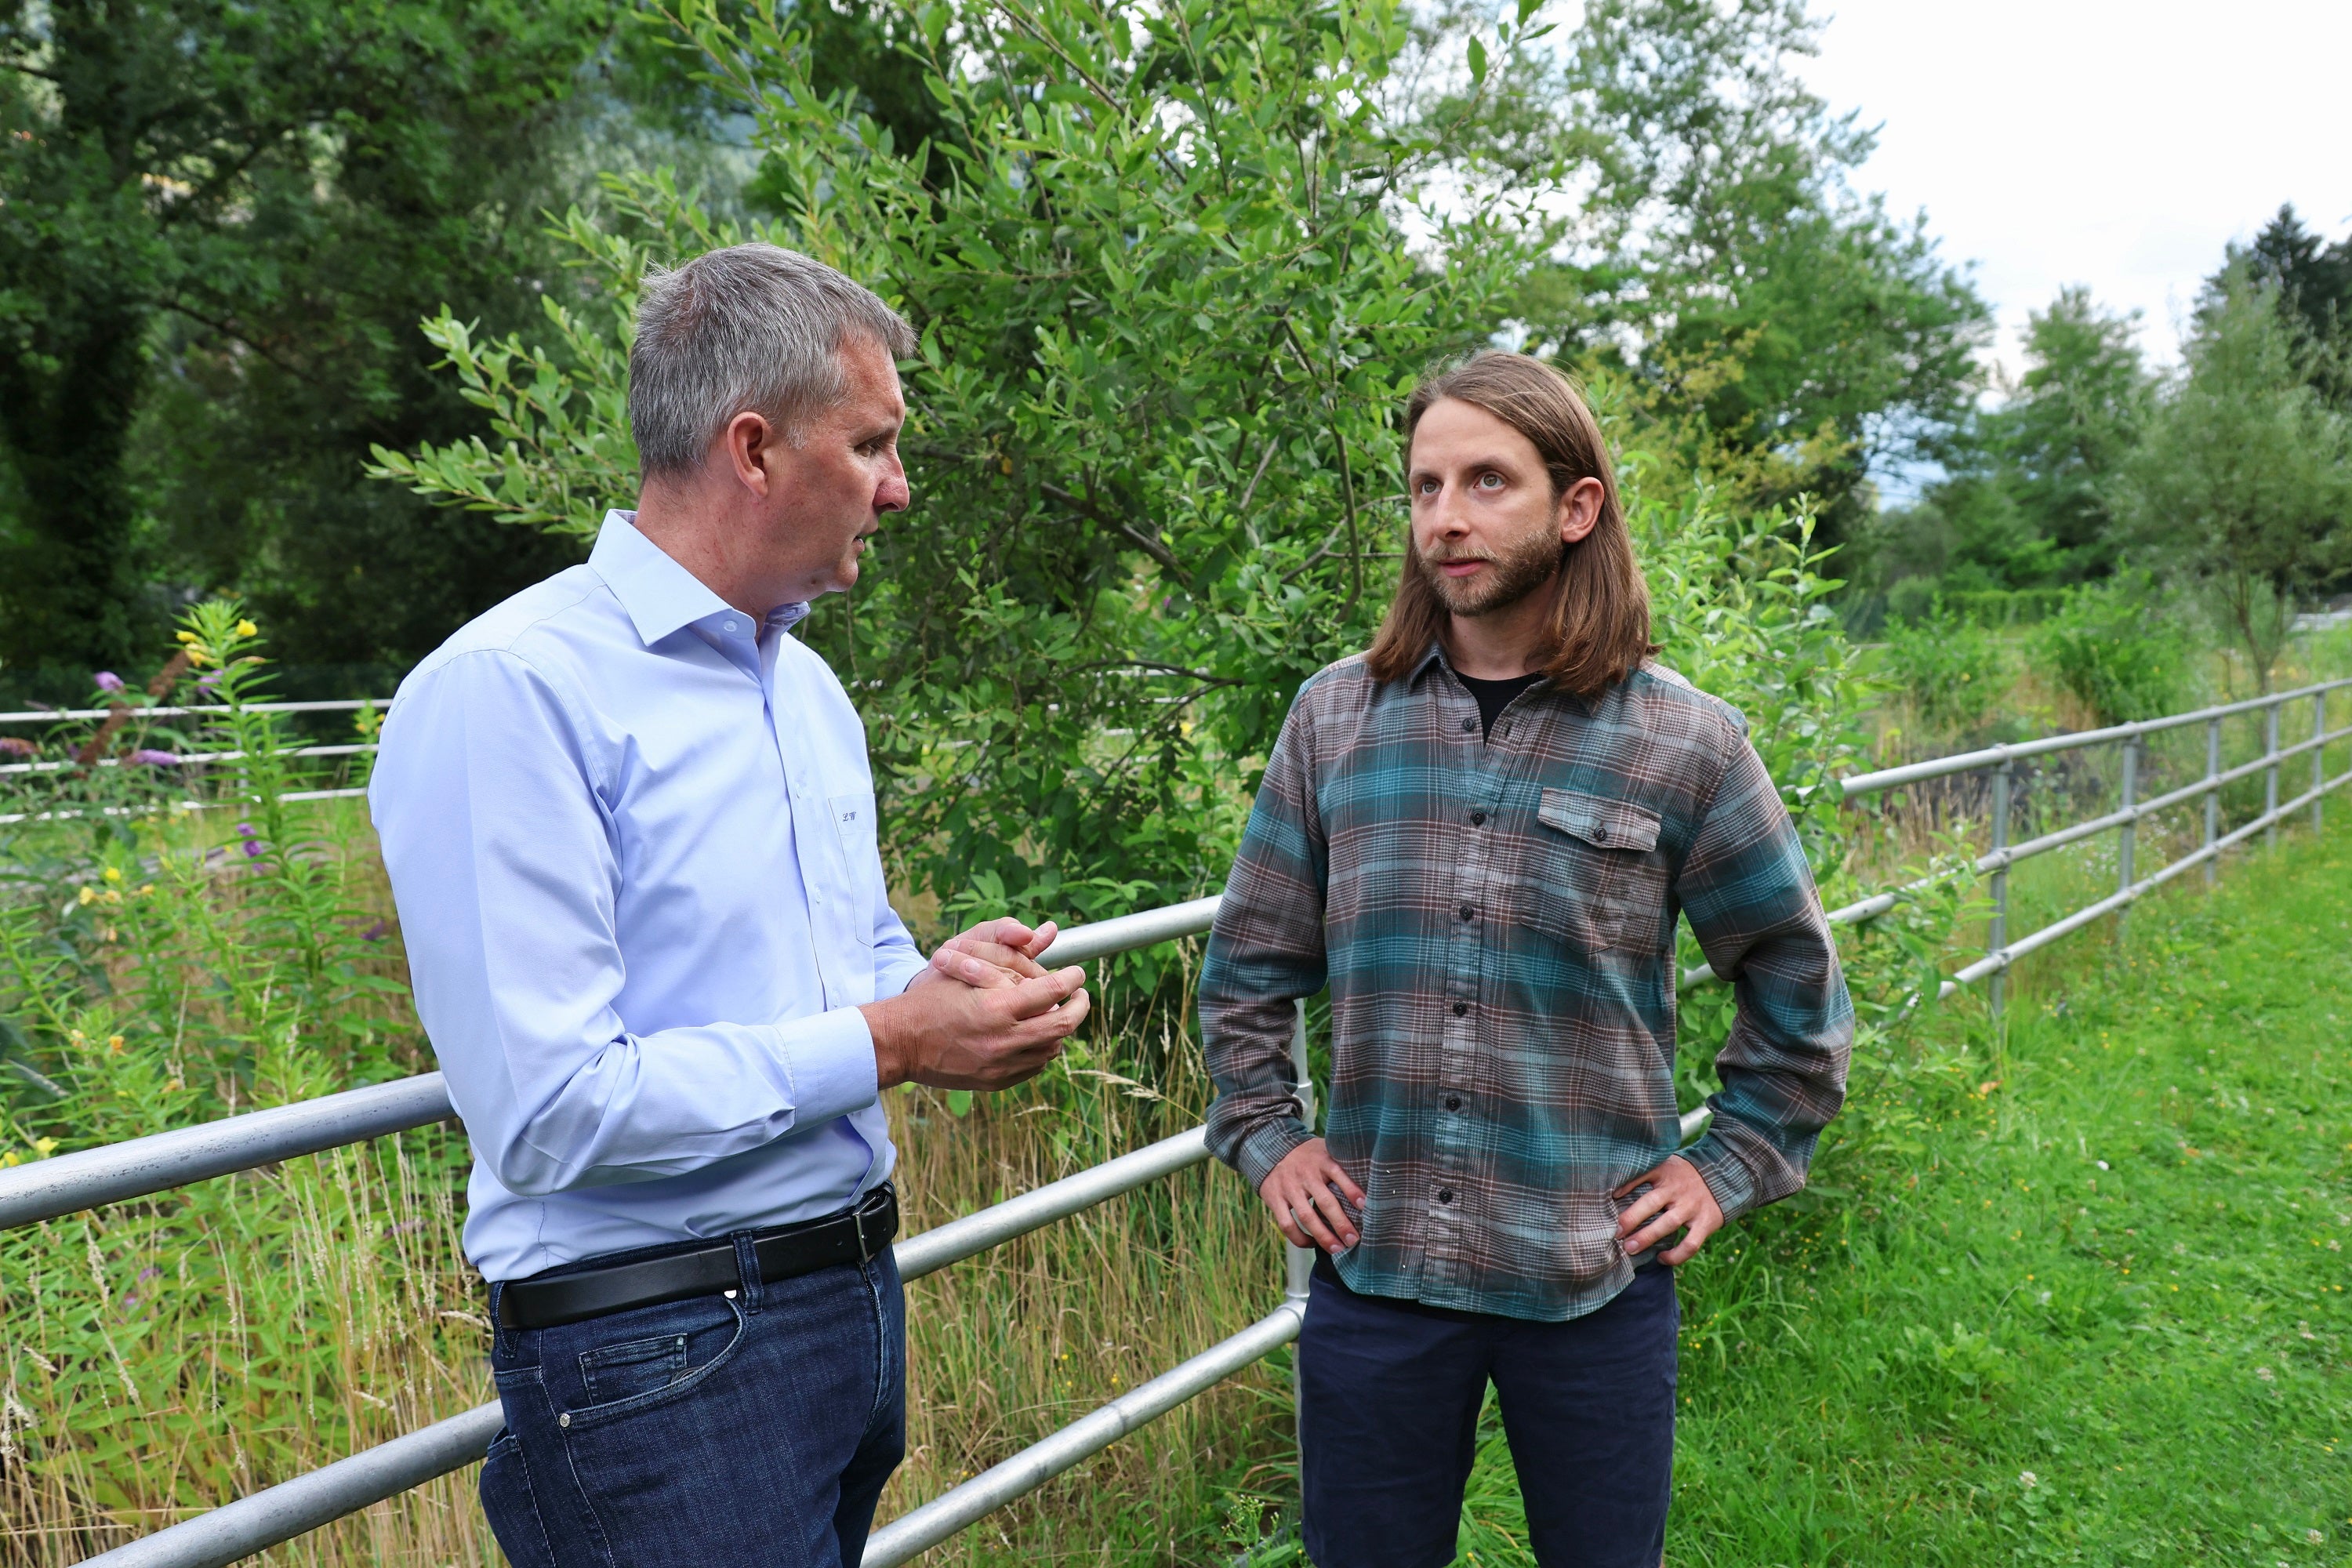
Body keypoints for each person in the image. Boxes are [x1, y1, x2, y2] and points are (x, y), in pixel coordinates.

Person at [370, 242, 1092, 1568]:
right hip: (659, 1355)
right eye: (873, 444)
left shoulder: (802, 682)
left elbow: (849, 951)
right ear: (753, 449)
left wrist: (940, 984)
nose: (900, 485)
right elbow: (549, 1109)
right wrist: (893, 1042)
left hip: (845, 1302)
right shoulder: (512, 692)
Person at [1197, 350, 1853, 1568]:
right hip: (1375, 1274)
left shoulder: (1686, 744)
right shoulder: (1333, 721)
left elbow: (1792, 975)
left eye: (1487, 481)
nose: (1446, 517)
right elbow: (1249, 966)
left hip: (1591, 1280)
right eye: (1424, 485)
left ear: (1576, 506)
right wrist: (1267, 1130)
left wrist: (1734, 1161)